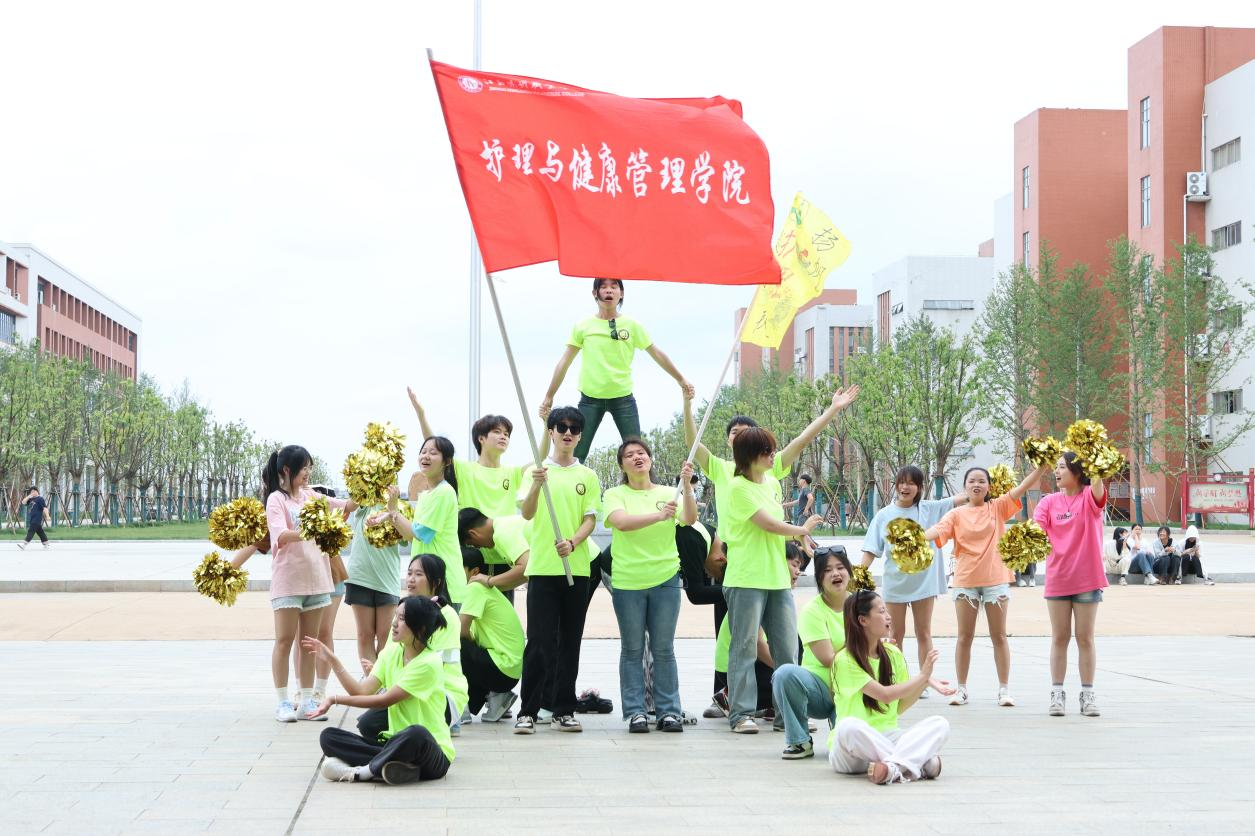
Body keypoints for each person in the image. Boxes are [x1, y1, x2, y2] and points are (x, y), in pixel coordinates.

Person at [721, 426, 826, 734]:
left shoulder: (771, 483)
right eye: (766, 452)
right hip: (746, 578)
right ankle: (741, 714)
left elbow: (800, 440)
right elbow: (767, 524)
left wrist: (831, 411)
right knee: (744, 648)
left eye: (772, 450)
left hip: (777, 579)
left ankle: (788, 716)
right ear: (749, 456)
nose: (772, 456)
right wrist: (802, 529)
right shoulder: (737, 488)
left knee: (787, 650)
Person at [923, 462, 1048, 708]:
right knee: (964, 637)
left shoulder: (998, 507)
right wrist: (911, 538)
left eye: (982, 481)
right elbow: (937, 530)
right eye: (972, 481)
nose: (977, 485)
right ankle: (962, 689)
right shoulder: (956, 514)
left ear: (989, 486)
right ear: (965, 487)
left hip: (996, 580)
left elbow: (1022, 487)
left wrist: (1042, 468)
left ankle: (1004, 690)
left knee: (999, 636)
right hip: (965, 582)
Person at [513, 407, 602, 734]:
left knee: (570, 641)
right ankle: (528, 711)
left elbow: (590, 519)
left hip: (576, 570)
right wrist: (537, 485)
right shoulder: (535, 471)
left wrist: (573, 542)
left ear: (579, 436)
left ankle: (564, 709)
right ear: (550, 432)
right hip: (542, 569)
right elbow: (526, 513)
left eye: (574, 428)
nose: (567, 433)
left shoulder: (587, 475)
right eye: (561, 427)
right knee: (539, 642)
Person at [539, 278, 694, 462]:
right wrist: (549, 395)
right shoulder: (583, 325)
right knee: (575, 453)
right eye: (603, 287)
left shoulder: (632, 325)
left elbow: (657, 353)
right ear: (595, 293)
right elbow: (564, 361)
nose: (609, 291)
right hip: (590, 399)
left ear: (621, 293)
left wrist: (681, 379)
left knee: (637, 452)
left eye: (614, 287)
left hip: (623, 399)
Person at [304, 595, 454, 785]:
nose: (394, 623)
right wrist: (333, 661)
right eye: (395, 616)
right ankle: (399, 767)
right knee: (329, 737)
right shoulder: (391, 652)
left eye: (402, 618)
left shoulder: (429, 663)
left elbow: (384, 700)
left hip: (432, 752)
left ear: (421, 628)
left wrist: (335, 699)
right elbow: (360, 691)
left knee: (416, 733)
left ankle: (363, 772)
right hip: (395, 744)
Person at [683, 386, 860, 547]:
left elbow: (802, 440)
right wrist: (687, 405)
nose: (740, 437)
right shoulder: (720, 468)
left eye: (746, 432)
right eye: (734, 432)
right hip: (733, 551)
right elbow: (693, 443)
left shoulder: (769, 467)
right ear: (728, 440)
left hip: (769, 551)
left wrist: (833, 409)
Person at [603, 439, 698, 734]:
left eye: (642, 453)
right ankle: (635, 712)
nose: (637, 458)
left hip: (665, 578)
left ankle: (669, 711)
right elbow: (621, 522)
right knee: (632, 649)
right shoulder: (614, 494)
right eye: (629, 455)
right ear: (622, 465)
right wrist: (659, 516)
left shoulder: (670, 493)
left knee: (663, 649)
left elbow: (689, 518)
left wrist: (687, 487)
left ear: (650, 459)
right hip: (628, 581)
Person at [262, 445, 355, 723]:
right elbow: (280, 535)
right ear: (286, 470)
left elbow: (345, 506)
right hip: (289, 581)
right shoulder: (276, 500)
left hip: (317, 581)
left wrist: (365, 489)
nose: (307, 473)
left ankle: (305, 701)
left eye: (309, 468)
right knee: (284, 641)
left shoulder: (310, 496)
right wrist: (310, 530)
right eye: (304, 468)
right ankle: (283, 702)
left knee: (308, 644)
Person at [860, 465, 968, 695]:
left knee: (923, 632)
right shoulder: (884, 515)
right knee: (894, 634)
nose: (905, 487)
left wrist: (983, 487)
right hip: (896, 584)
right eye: (902, 482)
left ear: (919, 487)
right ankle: (896, 680)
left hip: (924, 582)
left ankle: (924, 681)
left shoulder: (930, 508)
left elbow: (959, 499)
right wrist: (860, 574)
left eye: (911, 483)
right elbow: (871, 549)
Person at [828, 590, 953, 784]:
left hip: (887, 737)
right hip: (851, 751)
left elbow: (898, 706)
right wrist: (922, 677)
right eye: (881, 611)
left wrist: (924, 682)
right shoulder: (844, 660)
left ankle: (891, 768)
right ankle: (915, 763)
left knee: (940, 724)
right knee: (848, 726)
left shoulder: (893, 654)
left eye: (886, 611)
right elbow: (885, 695)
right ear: (863, 620)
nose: (888, 616)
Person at [1033, 452, 1108, 718]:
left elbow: (1097, 483)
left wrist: (1093, 454)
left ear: (1077, 471)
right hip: (1058, 578)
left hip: (1087, 578)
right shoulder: (1048, 502)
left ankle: (1087, 694)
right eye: (1056, 467)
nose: (1057, 471)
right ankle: (1057, 693)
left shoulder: (1089, 497)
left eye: (1062, 467)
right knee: (1060, 637)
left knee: (1085, 638)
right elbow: (1035, 530)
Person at [771, 546, 852, 759]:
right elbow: (828, 659)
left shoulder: (862, 605)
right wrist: (862, 645)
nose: (835, 574)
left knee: (847, 751)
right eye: (827, 570)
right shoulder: (812, 611)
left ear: (849, 572)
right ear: (819, 578)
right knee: (785, 674)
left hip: (854, 689)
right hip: (820, 690)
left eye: (840, 567)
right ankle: (799, 741)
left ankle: (842, 729)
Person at [392, 436, 465, 606]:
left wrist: (393, 512)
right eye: (423, 451)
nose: (426, 456)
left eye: (433, 453)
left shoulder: (444, 492)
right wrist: (391, 515)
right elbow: (411, 536)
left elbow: (420, 533)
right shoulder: (426, 495)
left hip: (444, 583)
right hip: (428, 583)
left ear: (447, 461)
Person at [459, 547, 525, 722]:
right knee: (467, 649)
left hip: (502, 669)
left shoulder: (475, 588)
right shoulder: (484, 590)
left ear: (474, 572)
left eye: (458, 568)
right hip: (508, 670)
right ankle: (496, 698)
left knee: (454, 646)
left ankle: (460, 709)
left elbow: (460, 631)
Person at [344, 499, 404, 674]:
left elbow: (406, 538)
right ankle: (371, 681)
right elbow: (351, 503)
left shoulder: (398, 506)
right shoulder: (364, 503)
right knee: (365, 634)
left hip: (387, 578)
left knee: (386, 635)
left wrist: (393, 507)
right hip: (360, 576)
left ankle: (383, 679)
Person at [458, 508, 530, 603]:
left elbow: (526, 568)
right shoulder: (503, 526)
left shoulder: (501, 533)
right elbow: (525, 576)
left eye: (472, 544)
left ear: (473, 533)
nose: (478, 547)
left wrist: (489, 580)